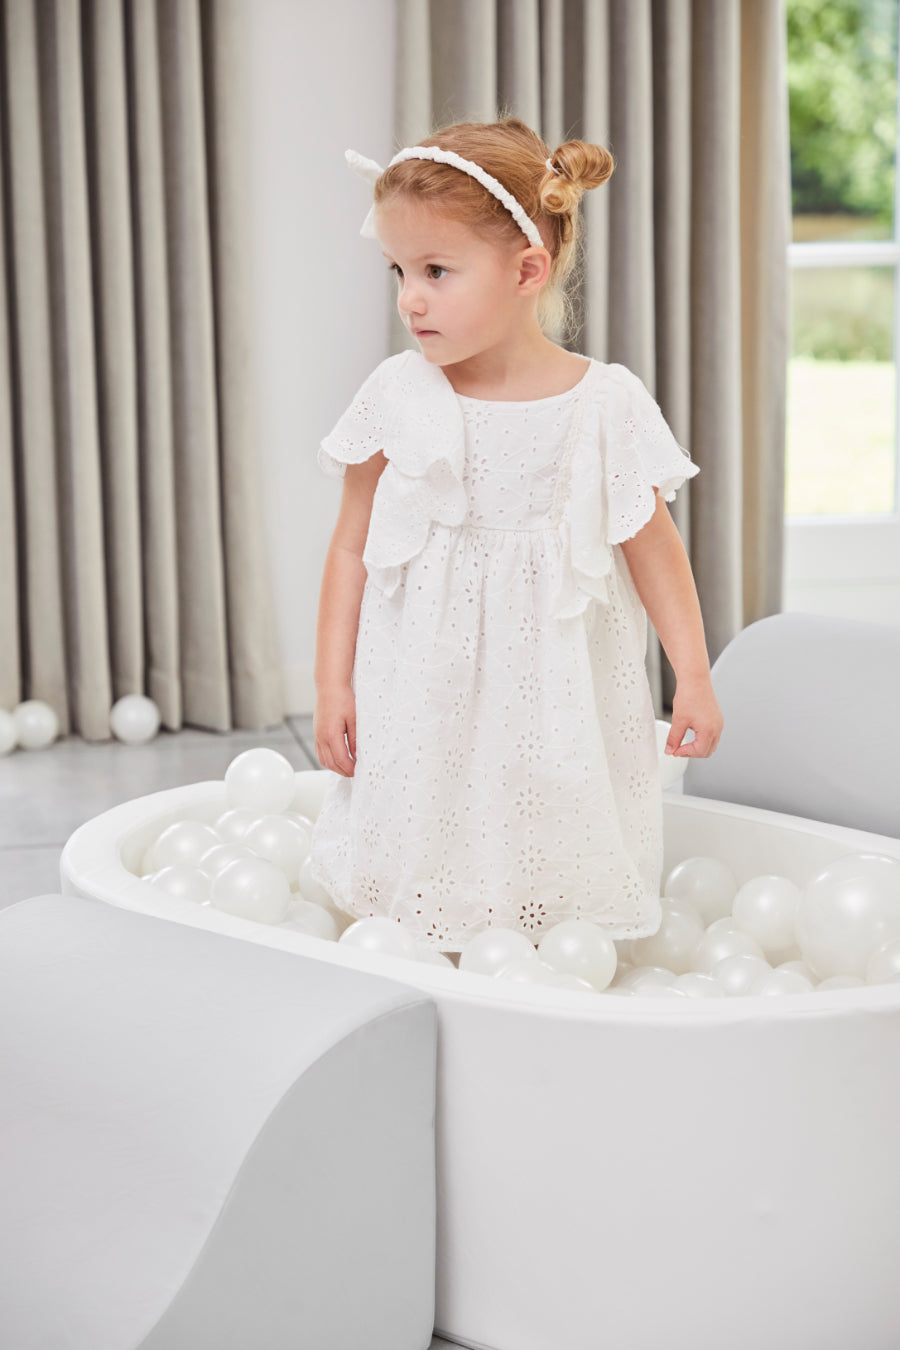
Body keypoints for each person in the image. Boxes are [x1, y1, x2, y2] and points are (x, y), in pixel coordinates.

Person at [309, 117, 723, 953]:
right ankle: (427, 932)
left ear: (528, 270)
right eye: (398, 271)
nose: (409, 298)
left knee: (541, 808)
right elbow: (351, 544)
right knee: (432, 800)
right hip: (422, 679)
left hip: (552, 685)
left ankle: (544, 942)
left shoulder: (604, 405)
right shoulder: (396, 394)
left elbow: (653, 549)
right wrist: (331, 685)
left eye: (435, 271)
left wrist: (694, 675)